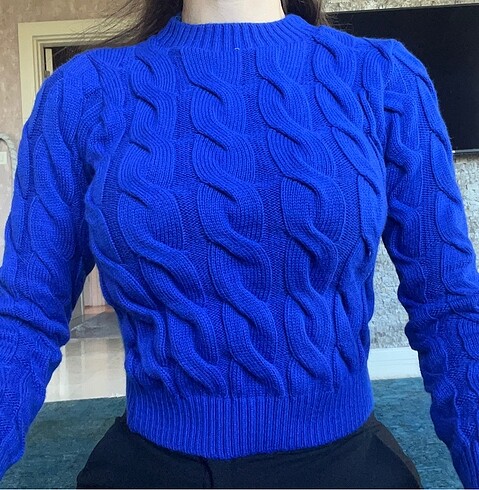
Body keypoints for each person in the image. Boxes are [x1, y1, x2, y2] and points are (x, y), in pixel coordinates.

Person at [0, 0, 478, 487]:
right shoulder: (82, 91)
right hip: (150, 466)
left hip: (347, 465)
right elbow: (24, 313)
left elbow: (449, 307)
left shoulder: (385, 77)